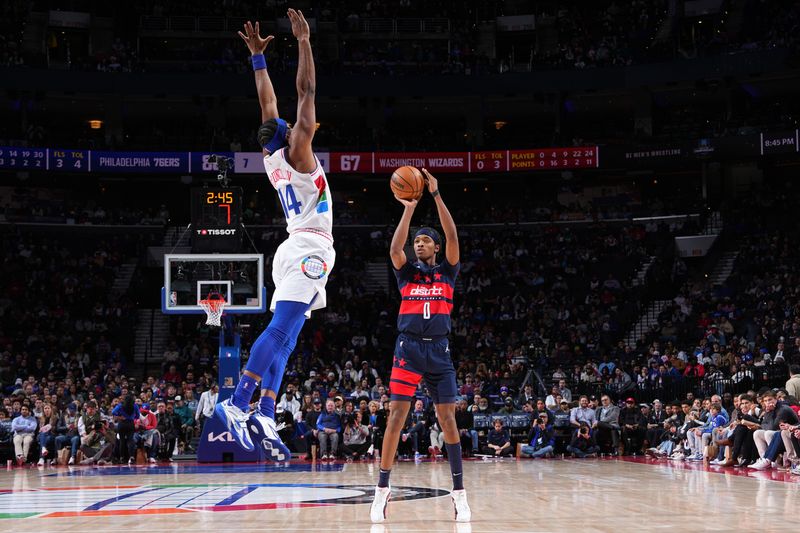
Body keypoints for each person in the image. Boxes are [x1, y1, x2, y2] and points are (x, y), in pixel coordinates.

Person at [215, 11, 335, 464]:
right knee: (281, 331)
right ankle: (238, 401)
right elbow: (307, 91)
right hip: (308, 248)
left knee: (288, 337)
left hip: (292, 249)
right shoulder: (299, 152)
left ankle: (265, 410)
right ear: (290, 135)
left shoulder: (271, 157)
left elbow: (268, 107)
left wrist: (259, 59)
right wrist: (304, 42)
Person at [371, 169, 471, 523]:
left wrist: (437, 196)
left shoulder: (448, 272)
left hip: (439, 351)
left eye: (425, 241)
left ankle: (458, 493)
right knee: (396, 418)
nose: (419, 244)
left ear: (436, 247)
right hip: (408, 348)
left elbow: (453, 233)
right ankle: (382, 490)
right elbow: (395, 248)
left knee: (447, 420)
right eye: (418, 242)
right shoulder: (406, 273)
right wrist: (410, 207)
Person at [112, 394, 140, 465]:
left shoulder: (120, 405)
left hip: (122, 424)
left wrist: (120, 417)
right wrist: (132, 417)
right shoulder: (135, 406)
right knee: (130, 440)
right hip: (130, 424)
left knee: (122, 441)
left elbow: (113, 412)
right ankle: (131, 457)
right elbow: (138, 416)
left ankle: (121, 458)